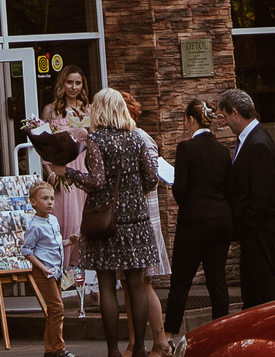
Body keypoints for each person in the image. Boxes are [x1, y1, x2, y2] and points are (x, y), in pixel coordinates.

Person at [64, 88, 172, 357]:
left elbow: (97, 181)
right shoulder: (137, 137)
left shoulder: (97, 140)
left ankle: (113, 350)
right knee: (136, 283)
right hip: (136, 221)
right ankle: (140, 349)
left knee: (106, 283)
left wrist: (68, 173)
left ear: (99, 109)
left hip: (105, 223)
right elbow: (150, 179)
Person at [166, 96, 234, 332]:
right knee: (217, 280)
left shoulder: (186, 148)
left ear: (190, 120)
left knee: (181, 283)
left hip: (194, 223)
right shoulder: (223, 150)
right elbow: (229, 187)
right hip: (221, 221)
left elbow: (181, 189)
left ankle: (169, 336)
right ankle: (220, 332)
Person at [217, 88, 275, 308]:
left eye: (225, 116)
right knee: (253, 283)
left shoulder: (258, 144)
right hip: (253, 228)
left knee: (263, 284)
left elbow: (260, 196)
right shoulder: (251, 140)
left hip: (258, 228)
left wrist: (245, 224)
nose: (225, 123)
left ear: (235, 113)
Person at [39, 65, 92, 274]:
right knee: (63, 220)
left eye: (78, 82)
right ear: (62, 84)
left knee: (82, 220)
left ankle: (83, 273)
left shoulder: (87, 108)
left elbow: (94, 141)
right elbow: (43, 146)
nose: (74, 87)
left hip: (82, 170)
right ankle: (59, 271)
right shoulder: (50, 110)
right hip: (59, 171)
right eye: (69, 82)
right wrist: (50, 172)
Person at [21, 179, 69, 357]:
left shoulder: (54, 220)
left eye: (51, 198)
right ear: (33, 202)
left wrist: (68, 242)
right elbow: (27, 250)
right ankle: (58, 348)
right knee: (57, 309)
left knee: (53, 310)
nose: (50, 202)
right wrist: (42, 267)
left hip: (55, 270)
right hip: (44, 272)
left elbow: (53, 245)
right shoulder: (35, 226)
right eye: (44, 199)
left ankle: (51, 350)